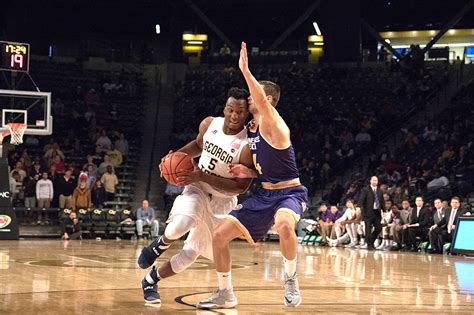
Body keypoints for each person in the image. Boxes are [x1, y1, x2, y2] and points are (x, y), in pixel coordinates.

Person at [197, 42, 308, 309]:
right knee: (219, 235)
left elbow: (258, 98)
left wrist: (246, 70)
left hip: (290, 192)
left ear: (265, 100)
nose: (248, 98)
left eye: (252, 95)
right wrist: (251, 172)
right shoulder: (253, 128)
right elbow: (266, 163)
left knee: (283, 225)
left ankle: (290, 279)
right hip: (265, 193)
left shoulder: (275, 124)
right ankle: (225, 293)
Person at [137, 87, 253, 304]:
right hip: (197, 186)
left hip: (223, 200)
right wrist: (176, 156)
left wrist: (203, 175)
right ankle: (158, 245)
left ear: (246, 113)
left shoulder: (247, 145)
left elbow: (241, 187)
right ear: (225, 108)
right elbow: (198, 145)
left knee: (190, 255)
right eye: (230, 109)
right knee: (181, 224)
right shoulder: (210, 124)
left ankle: (149, 280)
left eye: (240, 111)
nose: (234, 115)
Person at [358, 176, 384, 250]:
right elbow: (362, 198)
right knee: (368, 229)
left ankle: (371, 241)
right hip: (368, 212)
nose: (375, 182)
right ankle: (369, 245)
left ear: (377, 182)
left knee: (379, 227)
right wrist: (359, 206)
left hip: (377, 212)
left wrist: (384, 210)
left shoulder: (379, 190)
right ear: (370, 181)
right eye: (373, 180)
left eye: (376, 180)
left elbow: (381, 201)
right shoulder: (365, 190)